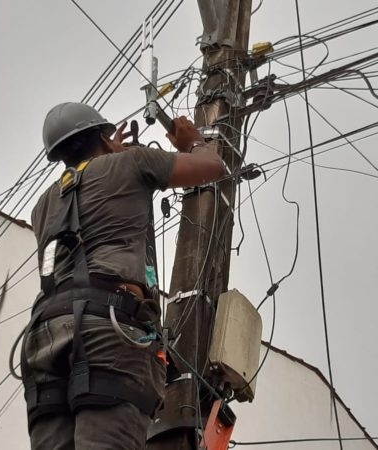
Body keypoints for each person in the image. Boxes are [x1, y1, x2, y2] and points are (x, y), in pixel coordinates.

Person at [20, 102, 225, 450]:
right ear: (101, 134)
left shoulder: (42, 205)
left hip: (44, 335)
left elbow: (92, 193)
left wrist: (111, 152)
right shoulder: (134, 162)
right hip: (109, 324)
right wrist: (192, 141)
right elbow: (212, 167)